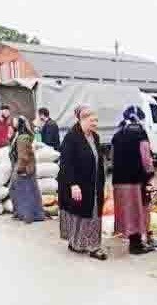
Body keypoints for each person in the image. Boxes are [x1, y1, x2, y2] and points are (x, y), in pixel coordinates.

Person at [58, 105, 107, 261]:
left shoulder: (95, 137)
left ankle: (93, 246)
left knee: (93, 213)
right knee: (80, 214)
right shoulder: (71, 138)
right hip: (78, 184)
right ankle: (78, 243)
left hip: (94, 184)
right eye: (93, 120)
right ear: (82, 119)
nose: (95, 123)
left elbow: (99, 161)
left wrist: (103, 183)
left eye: (96, 120)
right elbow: (66, 164)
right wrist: (73, 185)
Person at [111, 106, 156, 255]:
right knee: (137, 212)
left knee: (127, 212)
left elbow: (112, 157)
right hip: (135, 181)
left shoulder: (117, 135)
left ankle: (132, 241)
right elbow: (146, 158)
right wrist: (149, 174)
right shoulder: (140, 134)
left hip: (119, 181)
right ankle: (136, 245)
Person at [8, 116, 46, 224]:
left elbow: (23, 156)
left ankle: (27, 215)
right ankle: (31, 214)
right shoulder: (19, 136)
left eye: (15, 122)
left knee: (22, 191)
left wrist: (20, 170)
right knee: (28, 191)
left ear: (20, 124)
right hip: (25, 167)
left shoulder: (22, 138)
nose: (12, 124)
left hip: (23, 167)